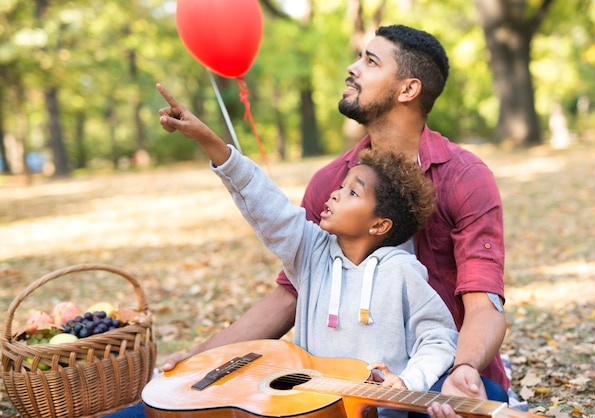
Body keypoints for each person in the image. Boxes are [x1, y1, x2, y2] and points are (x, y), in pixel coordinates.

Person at [161, 24, 509, 418]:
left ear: (407, 90)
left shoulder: (464, 177)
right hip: (331, 385)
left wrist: (463, 369)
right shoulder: (332, 182)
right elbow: (291, 291)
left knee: (458, 404)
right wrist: (203, 360)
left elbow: (484, 304)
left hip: (435, 372)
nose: (352, 67)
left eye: (370, 61)